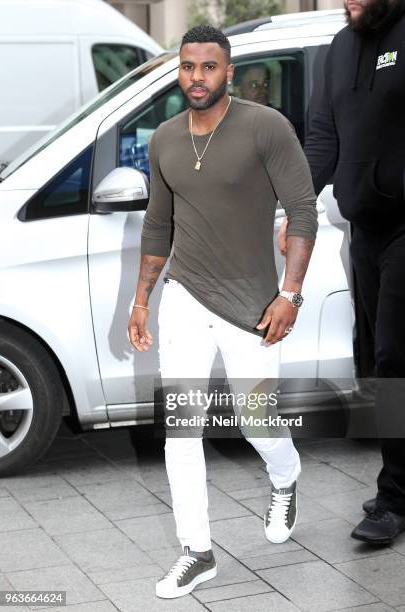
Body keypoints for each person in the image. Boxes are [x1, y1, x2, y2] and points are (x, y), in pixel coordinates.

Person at [128, 25, 318, 598]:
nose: (197, 78)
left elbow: (302, 212)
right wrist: (141, 301)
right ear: (178, 70)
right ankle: (197, 551)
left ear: (228, 71)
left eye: (209, 67)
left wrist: (291, 293)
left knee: (256, 418)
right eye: (188, 67)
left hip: (253, 303)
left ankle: (285, 476)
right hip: (185, 295)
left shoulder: (265, 127)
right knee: (180, 429)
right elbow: (158, 226)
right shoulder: (164, 138)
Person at [279, 0, 405, 544]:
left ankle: (395, 498)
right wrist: (296, 211)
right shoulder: (338, 50)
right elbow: (323, 143)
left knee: (393, 356)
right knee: (374, 362)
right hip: (365, 231)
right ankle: (400, 483)